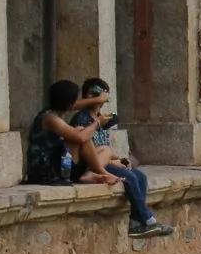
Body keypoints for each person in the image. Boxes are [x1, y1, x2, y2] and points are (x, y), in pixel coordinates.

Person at [29, 79, 173, 238]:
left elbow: (76, 108)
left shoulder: (58, 112)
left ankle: (136, 222)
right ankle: (147, 218)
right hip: (46, 170)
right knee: (82, 134)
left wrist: (98, 101)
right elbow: (81, 137)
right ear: (69, 102)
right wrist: (98, 123)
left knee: (137, 174)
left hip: (65, 164)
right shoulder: (51, 118)